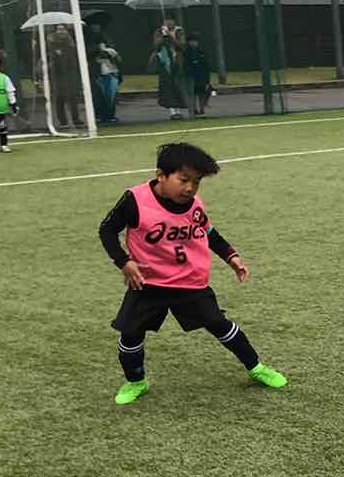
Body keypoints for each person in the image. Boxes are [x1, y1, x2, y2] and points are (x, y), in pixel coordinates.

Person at [98, 140, 288, 404]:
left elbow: (208, 232)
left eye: (196, 182)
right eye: (183, 180)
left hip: (189, 281)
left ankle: (256, 367)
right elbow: (107, 230)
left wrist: (231, 256)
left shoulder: (194, 203)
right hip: (147, 283)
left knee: (219, 324)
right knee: (130, 333)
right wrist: (124, 262)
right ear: (161, 176)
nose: (190, 188)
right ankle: (135, 382)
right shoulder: (135, 200)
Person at [46, 25, 84, 129]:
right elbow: (48, 58)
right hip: (56, 74)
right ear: (55, 31)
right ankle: (63, 121)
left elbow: (74, 58)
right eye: (59, 29)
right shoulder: (50, 42)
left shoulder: (70, 42)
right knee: (59, 98)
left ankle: (76, 119)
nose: (61, 32)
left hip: (70, 73)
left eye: (63, 29)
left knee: (72, 96)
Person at [149, 27, 187, 120]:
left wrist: (171, 36)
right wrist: (164, 36)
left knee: (178, 88)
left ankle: (179, 110)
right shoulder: (159, 31)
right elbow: (156, 46)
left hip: (177, 64)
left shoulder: (179, 31)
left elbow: (181, 46)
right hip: (164, 64)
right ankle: (172, 112)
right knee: (167, 88)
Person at [94, 36, 123, 124]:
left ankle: (110, 116)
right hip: (101, 77)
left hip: (111, 75)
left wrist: (113, 55)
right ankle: (103, 116)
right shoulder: (95, 54)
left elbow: (119, 61)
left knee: (111, 98)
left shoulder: (111, 51)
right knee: (102, 98)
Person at [184, 32, 213, 117]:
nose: (193, 43)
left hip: (202, 75)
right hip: (191, 76)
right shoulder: (186, 52)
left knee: (203, 93)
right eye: (191, 41)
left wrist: (207, 79)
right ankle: (194, 110)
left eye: (195, 41)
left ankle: (202, 109)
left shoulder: (202, 51)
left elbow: (206, 65)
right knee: (192, 94)